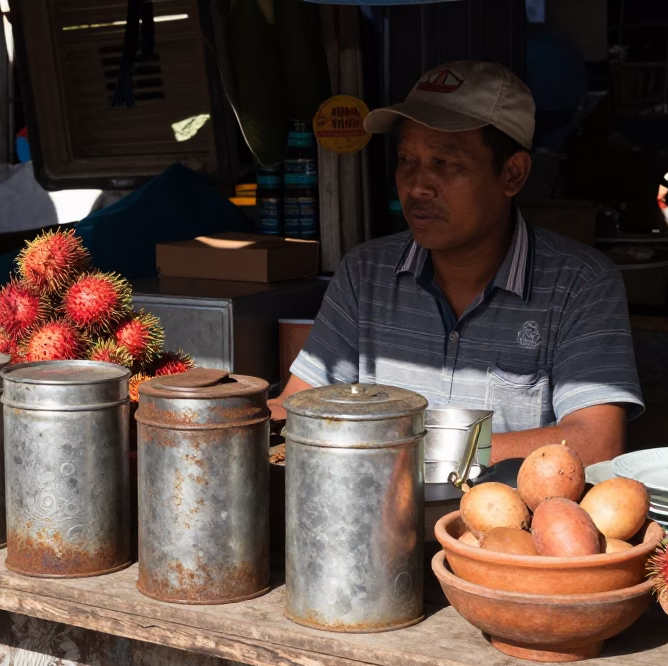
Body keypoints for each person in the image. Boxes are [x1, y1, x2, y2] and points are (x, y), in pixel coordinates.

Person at [271, 62, 643, 466]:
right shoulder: (365, 274)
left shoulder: (579, 284)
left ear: (513, 175)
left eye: (445, 163)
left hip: (505, 526)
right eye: (406, 159)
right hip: (371, 518)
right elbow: (298, 410)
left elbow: (595, 443)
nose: (416, 186)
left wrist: (420, 449)